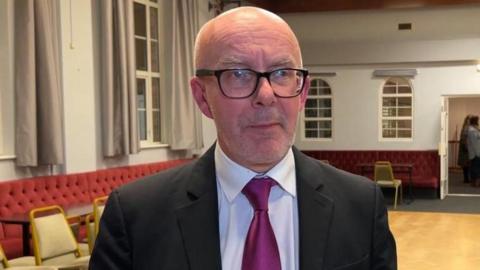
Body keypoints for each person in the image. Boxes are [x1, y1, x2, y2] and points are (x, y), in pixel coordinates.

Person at [89, 7, 397, 270]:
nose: (266, 95)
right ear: (201, 97)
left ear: (303, 93)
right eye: (238, 74)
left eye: (281, 73)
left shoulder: (361, 206)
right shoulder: (135, 218)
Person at [458, 115, 472, 183]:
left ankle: (466, 179)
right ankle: (466, 179)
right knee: (466, 165)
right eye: (469, 119)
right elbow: (464, 140)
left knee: (466, 165)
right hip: (465, 149)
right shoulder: (466, 128)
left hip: (465, 148)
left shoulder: (466, 127)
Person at [467, 115, 480, 187]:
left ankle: (475, 183)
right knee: (476, 169)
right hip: (476, 153)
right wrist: (478, 153)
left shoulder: (474, 130)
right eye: (478, 121)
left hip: (476, 153)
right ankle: (476, 183)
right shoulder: (472, 131)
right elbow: (475, 144)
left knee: (475, 168)